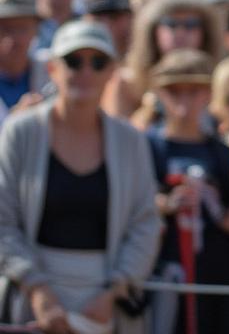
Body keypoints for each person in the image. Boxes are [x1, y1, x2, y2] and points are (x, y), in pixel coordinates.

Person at [0, 20, 160, 333]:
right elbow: (2, 220)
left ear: (111, 72)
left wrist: (113, 291)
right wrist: (38, 289)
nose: (85, 72)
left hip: (106, 307)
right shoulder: (20, 132)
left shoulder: (131, 140)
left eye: (97, 62)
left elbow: (146, 222)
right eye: (74, 61)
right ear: (52, 69)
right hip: (29, 303)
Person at [145, 49, 229, 334]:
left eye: (193, 91)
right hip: (163, 275)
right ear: (160, 94)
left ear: (208, 94)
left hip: (215, 277)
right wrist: (164, 204)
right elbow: (128, 202)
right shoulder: (146, 147)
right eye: (175, 91)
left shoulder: (224, 154)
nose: (184, 101)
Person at [0, 0, 48, 126]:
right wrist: (15, 123)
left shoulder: (54, 71)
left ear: (36, 30)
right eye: (6, 28)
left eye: (22, 28)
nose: (14, 38)